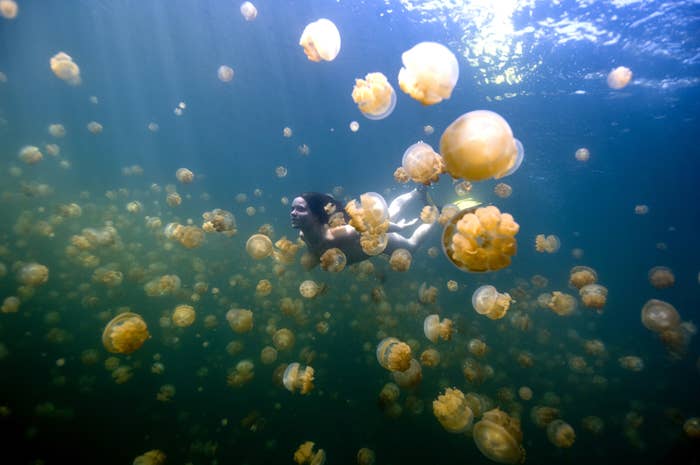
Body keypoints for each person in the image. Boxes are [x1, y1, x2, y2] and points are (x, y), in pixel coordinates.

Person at [290, 188, 436, 266]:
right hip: (369, 246)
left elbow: (372, 226)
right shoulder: (303, 235)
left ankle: (436, 213)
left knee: (411, 246)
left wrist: (399, 228)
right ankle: (417, 192)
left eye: (300, 209)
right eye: (292, 209)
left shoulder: (336, 234)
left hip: (376, 240)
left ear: (315, 215)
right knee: (390, 214)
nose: (293, 213)